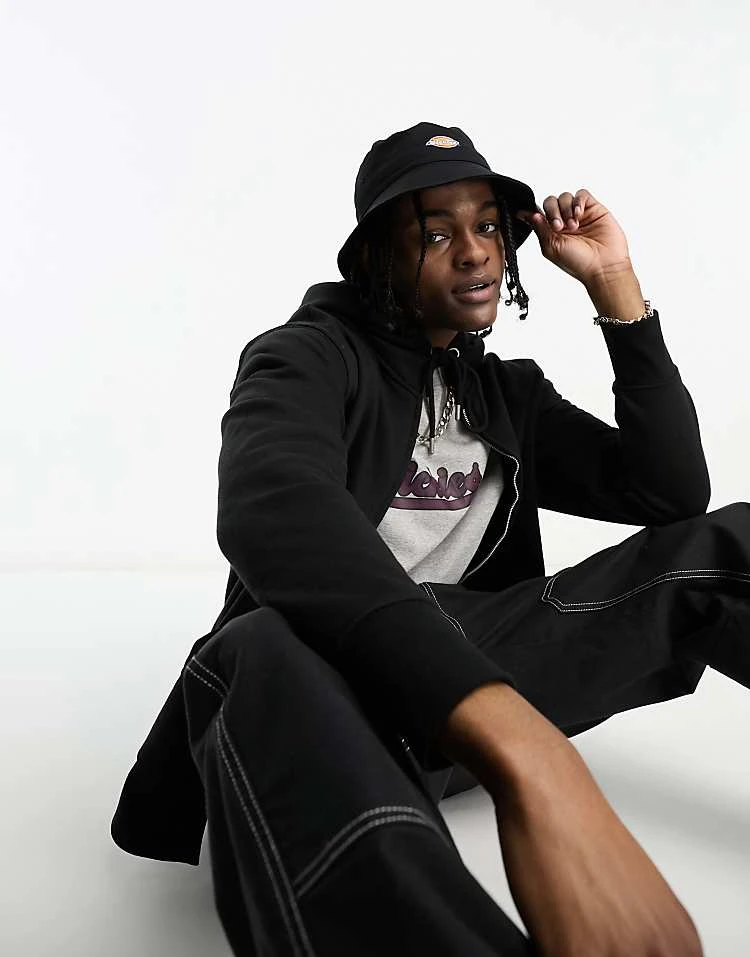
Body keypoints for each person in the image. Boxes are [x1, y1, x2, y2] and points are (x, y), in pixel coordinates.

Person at [110, 121, 750, 956]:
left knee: (731, 542)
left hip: (467, 673)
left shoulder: (504, 394)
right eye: (437, 233)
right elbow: (274, 507)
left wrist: (614, 284)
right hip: (334, 687)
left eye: (487, 226)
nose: (476, 251)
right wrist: (524, 743)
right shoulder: (306, 357)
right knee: (256, 645)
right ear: (380, 257)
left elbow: (668, 492)